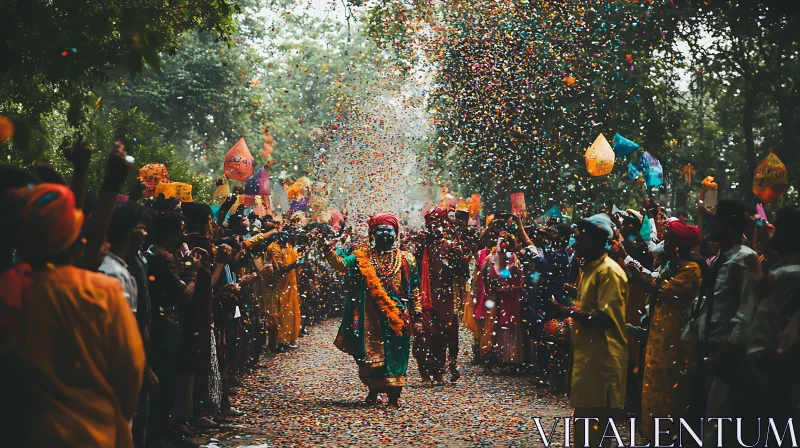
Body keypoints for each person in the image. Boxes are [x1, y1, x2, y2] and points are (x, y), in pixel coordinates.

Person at [12, 183, 145, 447]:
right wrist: (122, 417)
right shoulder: (102, 290)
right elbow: (131, 367)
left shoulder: (11, 289)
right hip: (94, 432)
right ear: (76, 238)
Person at [317, 213, 423, 407]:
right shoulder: (362, 256)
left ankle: (394, 396)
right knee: (370, 355)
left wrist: (418, 316)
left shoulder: (407, 259)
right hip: (369, 316)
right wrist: (327, 251)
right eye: (380, 230)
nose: (384, 233)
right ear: (373, 234)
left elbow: (415, 288)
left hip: (398, 316)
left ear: (396, 233)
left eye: (388, 230)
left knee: (397, 354)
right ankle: (373, 390)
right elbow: (340, 265)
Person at [553, 213, 628, 448]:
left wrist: (566, 310)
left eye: (580, 239)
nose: (574, 244)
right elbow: (593, 304)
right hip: (589, 361)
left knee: (597, 430)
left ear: (596, 241)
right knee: (585, 428)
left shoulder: (609, 272)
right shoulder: (590, 269)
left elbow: (603, 319)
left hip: (603, 360)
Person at [694, 200, 761, 446]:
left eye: (717, 221)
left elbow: (747, 307)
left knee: (720, 424)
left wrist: (730, 352)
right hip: (712, 348)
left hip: (728, 354)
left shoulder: (745, 258)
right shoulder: (723, 256)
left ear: (730, 228)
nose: (712, 226)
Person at [640, 221, 704, 441]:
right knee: (654, 383)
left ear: (678, 244)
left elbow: (663, 289)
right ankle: (652, 435)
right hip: (659, 335)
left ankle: (667, 437)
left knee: (669, 388)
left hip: (676, 336)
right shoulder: (673, 265)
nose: (664, 243)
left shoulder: (692, 269)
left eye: (668, 239)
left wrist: (630, 263)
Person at [146, 211, 205, 445]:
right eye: (181, 228)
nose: (184, 232)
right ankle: (163, 435)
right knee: (167, 381)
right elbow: (182, 296)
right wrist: (193, 274)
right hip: (165, 325)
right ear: (170, 232)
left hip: (160, 324)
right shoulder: (162, 257)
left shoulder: (156, 253)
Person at [748, 205, 800, 437]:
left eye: (778, 230)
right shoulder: (783, 267)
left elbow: (762, 325)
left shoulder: (786, 275)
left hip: (777, 374)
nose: (773, 234)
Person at [414, 207, 464, 385]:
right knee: (423, 335)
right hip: (425, 297)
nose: (434, 228)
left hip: (446, 298)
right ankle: (426, 373)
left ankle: (439, 371)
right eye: (431, 224)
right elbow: (413, 270)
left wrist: (458, 253)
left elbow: (462, 271)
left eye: (438, 224)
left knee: (444, 334)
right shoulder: (421, 247)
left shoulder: (450, 247)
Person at [268, 228, 302, 350]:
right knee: (279, 313)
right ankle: (278, 342)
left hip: (291, 285)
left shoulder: (288, 246)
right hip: (278, 286)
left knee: (291, 311)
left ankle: (289, 338)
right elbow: (281, 268)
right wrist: (295, 264)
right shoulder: (274, 247)